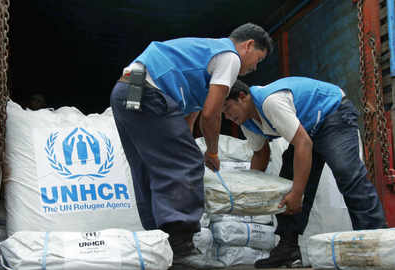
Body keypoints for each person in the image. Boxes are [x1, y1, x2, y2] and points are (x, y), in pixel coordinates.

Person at [110, 23, 273, 258]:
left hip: (128, 87)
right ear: (247, 46)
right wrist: (212, 153)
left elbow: (189, 115)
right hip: (150, 90)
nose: (254, 67)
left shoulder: (201, 60)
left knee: (147, 166)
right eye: (257, 59)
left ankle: (158, 242)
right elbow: (211, 113)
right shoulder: (229, 57)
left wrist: (186, 145)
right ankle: (180, 245)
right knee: (186, 163)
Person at [223, 78, 388, 268]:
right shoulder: (248, 121)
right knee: (286, 183)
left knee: (346, 171)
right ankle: (288, 247)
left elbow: (303, 144)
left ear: (242, 97)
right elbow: (260, 154)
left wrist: (298, 194)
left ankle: (376, 237)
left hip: (332, 113)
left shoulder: (270, 102)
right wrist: (246, 192)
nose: (227, 117)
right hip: (308, 128)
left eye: (227, 109)